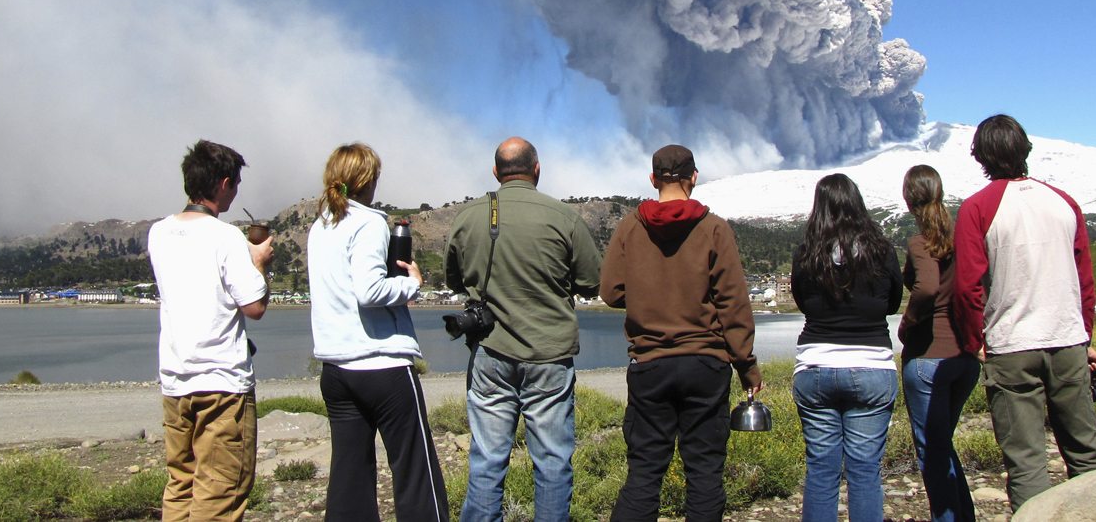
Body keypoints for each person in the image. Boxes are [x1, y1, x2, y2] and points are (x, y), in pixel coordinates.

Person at [599, 144, 763, 522]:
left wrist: (647, 295)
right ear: (694, 177)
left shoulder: (630, 226)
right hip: (706, 365)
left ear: (653, 179)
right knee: (705, 474)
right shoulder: (714, 228)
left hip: (650, 365)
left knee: (644, 474)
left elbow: (610, 291)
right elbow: (734, 304)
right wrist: (747, 367)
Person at [952, 114, 1096, 511]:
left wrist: (975, 343)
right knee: (1087, 452)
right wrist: (1084, 336)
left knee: (1026, 462)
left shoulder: (977, 208)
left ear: (981, 157)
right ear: (1026, 150)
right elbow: (1084, 278)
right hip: (1068, 340)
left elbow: (968, 286)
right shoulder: (1064, 202)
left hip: (1011, 348)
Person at [446, 136, 602, 522]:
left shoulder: (468, 217)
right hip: (550, 355)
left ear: (496, 172)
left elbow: (453, 279)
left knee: (486, 460)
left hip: (490, 353)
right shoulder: (564, 217)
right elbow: (592, 282)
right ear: (537, 169)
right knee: (552, 462)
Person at [307, 142, 449, 521]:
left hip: (336, 369)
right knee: (416, 473)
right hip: (382, 366)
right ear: (368, 180)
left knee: (349, 476)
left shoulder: (320, 227)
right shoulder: (369, 221)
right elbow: (369, 291)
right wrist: (412, 284)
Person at [147, 139, 273, 521]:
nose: (235, 192)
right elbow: (255, 307)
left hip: (175, 382)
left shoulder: (159, 232)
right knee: (220, 495)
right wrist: (260, 262)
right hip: (221, 385)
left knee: (181, 487)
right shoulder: (226, 237)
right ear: (222, 184)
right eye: (234, 183)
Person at [790, 173, 903, 522]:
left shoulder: (805, 254)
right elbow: (892, 303)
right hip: (872, 366)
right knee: (865, 471)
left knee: (821, 470)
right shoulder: (882, 251)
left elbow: (803, 303)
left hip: (815, 368)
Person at [897, 165, 979, 522]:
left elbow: (927, 287)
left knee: (931, 452)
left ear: (908, 198)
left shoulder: (920, 242)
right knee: (943, 444)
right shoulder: (963, 237)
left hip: (928, 358)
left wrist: (909, 321)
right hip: (964, 357)